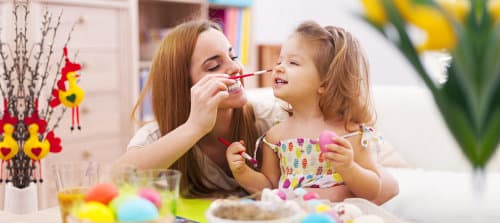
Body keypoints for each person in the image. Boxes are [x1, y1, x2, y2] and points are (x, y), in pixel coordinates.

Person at [114, 20, 398, 203]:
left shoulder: (271, 118)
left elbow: (386, 180)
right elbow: (116, 179)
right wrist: (194, 127)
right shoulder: (160, 135)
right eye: (214, 66)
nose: (235, 68)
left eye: (233, 56)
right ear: (182, 85)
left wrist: (342, 188)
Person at [226, 21, 392, 202]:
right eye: (279, 61)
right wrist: (242, 172)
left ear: (325, 84)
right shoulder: (275, 137)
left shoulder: (350, 132)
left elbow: (374, 191)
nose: (278, 67)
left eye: (293, 63)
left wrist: (349, 167)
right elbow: (270, 188)